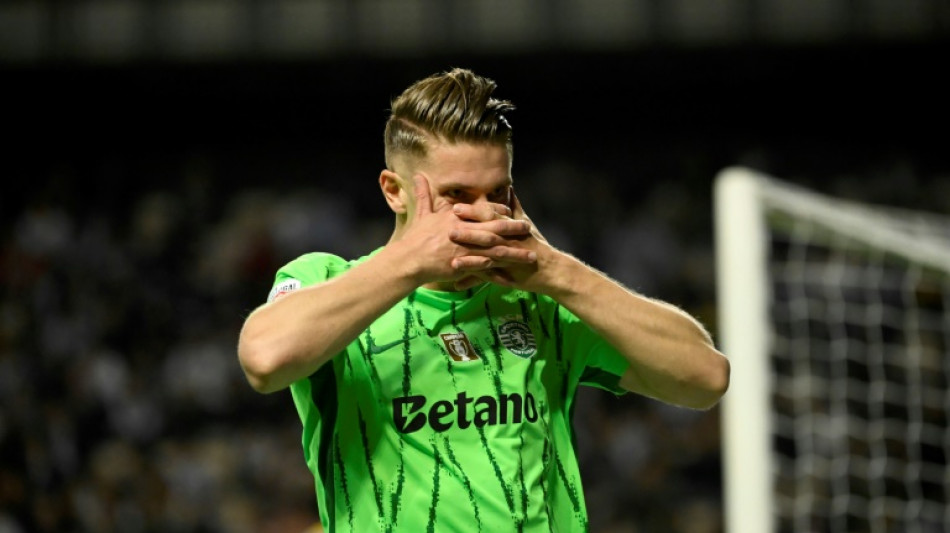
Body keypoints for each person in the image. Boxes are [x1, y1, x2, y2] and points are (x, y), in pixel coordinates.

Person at [237, 67, 730, 532]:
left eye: (497, 192)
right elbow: (264, 359)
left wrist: (556, 271)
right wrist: (412, 262)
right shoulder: (327, 280)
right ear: (394, 191)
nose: (483, 214)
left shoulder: (542, 301)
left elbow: (705, 378)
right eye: (456, 195)